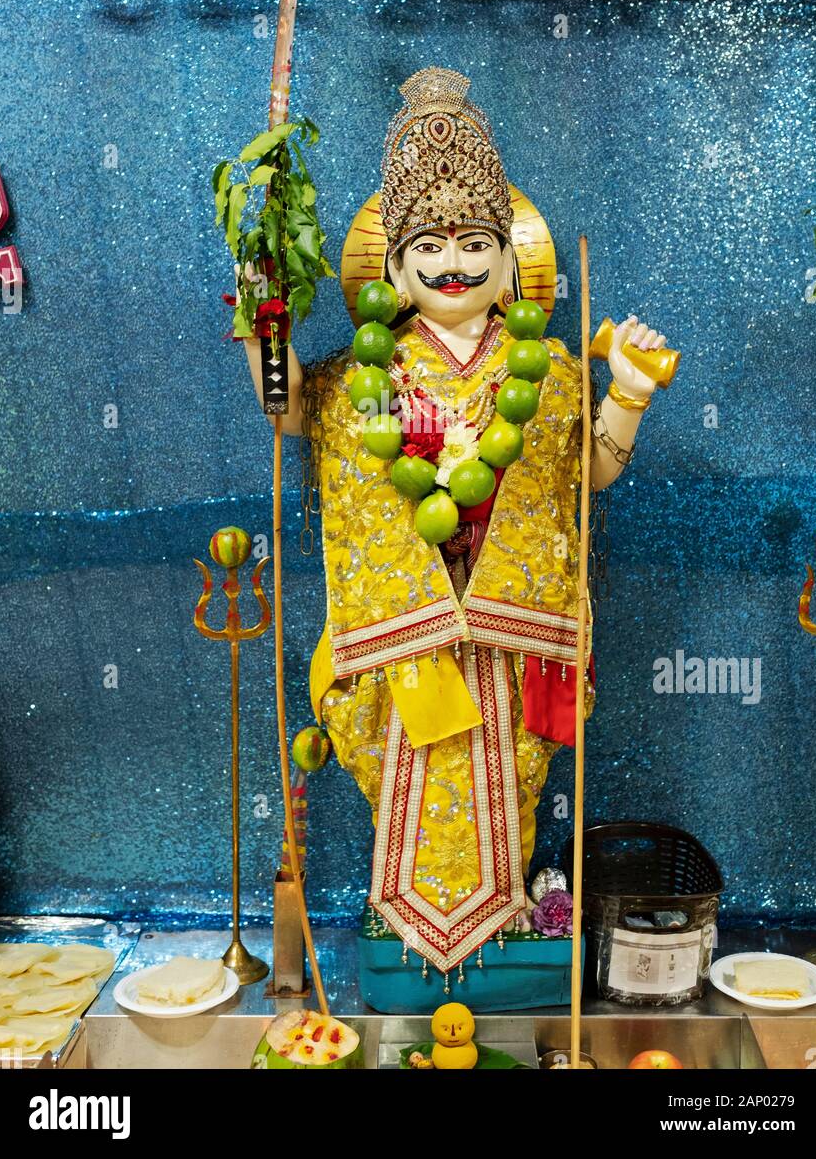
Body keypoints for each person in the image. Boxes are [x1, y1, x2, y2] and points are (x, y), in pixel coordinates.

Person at [243, 67, 668, 976]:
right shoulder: (364, 372)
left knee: (510, 784)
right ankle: (404, 941)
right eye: (429, 245)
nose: (454, 263)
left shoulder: (547, 370)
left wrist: (627, 396)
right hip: (407, 628)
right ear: (395, 268)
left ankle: (507, 930)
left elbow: (588, 475)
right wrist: (262, 324)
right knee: (406, 782)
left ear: (510, 262)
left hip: (513, 628)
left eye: (476, 242)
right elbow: (289, 413)